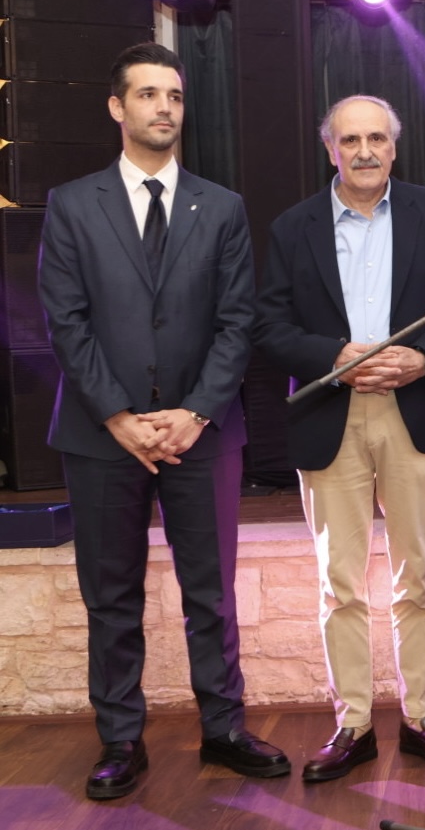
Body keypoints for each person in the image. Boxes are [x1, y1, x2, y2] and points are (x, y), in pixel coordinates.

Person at [36, 42, 289, 800]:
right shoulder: (72, 204)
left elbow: (238, 321)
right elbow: (65, 321)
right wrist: (117, 413)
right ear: (118, 107)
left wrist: (197, 411)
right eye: (148, 94)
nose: (164, 108)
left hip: (200, 435)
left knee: (210, 592)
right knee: (111, 595)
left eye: (174, 96)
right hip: (100, 436)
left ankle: (224, 728)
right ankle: (120, 739)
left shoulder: (223, 206)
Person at [252, 95, 425, 782]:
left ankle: (420, 717)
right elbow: (269, 326)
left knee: (421, 576)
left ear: (393, 146)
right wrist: (334, 356)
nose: (364, 151)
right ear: (330, 149)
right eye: (350, 140)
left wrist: (422, 358)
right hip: (332, 413)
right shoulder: (293, 227)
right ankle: (351, 724)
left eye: (376, 138)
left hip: (414, 410)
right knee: (339, 583)